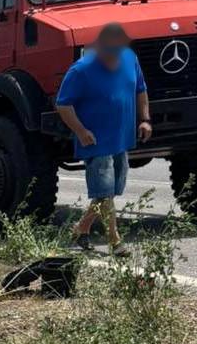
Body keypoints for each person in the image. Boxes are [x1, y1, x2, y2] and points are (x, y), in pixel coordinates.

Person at [55, 22, 152, 257]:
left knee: (108, 191)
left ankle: (81, 229)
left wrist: (145, 119)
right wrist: (80, 131)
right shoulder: (81, 70)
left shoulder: (130, 59)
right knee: (105, 192)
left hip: (121, 138)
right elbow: (63, 105)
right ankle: (115, 242)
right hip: (95, 142)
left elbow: (140, 90)